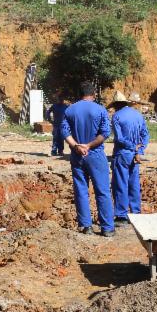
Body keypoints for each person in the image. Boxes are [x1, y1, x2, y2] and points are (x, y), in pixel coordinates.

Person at [61, 83, 115, 237]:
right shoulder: (100, 109)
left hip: (77, 156)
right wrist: (89, 146)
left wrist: (77, 146)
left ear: (80, 94)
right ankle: (107, 228)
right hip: (96, 155)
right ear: (94, 94)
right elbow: (105, 133)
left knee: (81, 191)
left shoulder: (70, 109)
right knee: (102, 191)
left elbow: (64, 131)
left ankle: (86, 227)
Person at [109, 92, 150, 225]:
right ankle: (136, 212)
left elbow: (120, 138)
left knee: (121, 183)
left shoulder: (116, 117)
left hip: (123, 154)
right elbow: (145, 135)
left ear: (115, 105)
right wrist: (139, 150)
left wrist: (132, 147)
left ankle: (121, 215)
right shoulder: (138, 115)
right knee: (133, 183)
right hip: (135, 155)